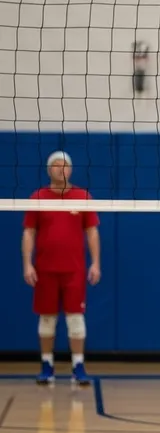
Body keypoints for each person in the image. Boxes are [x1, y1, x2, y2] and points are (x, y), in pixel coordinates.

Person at [22, 151, 101, 386]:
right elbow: (29, 232)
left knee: (75, 319)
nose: (61, 169)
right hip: (45, 269)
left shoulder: (82, 196)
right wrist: (27, 264)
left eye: (65, 165)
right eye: (56, 166)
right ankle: (47, 365)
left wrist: (96, 263)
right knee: (47, 319)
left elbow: (92, 232)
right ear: (49, 170)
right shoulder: (38, 197)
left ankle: (78, 366)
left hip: (74, 270)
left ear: (71, 169)